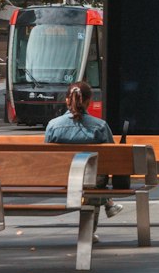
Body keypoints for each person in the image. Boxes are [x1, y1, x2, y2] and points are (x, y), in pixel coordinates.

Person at [45, 81, 122, 218]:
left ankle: (108, 203)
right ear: (88, 102)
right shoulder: (100, 126)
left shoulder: (53, 126)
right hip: (93, 180)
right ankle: (104, 207)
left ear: (67, 100)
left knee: (90, 178)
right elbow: (112, 156)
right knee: (94, 178)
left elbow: (46, 155)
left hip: (62, 177)